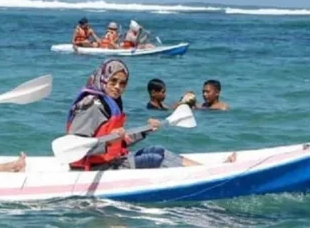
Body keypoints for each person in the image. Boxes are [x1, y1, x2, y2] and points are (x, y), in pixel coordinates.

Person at [64, 59, 210, 170]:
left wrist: (146, 129)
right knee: (154, 159)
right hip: (94, 169)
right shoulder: (91, 106)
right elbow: (76, 148)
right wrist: (108, 140)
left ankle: (205, 170)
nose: (117, 87)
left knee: (158, 150)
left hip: (111, 161)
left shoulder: (110, 103)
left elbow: (121, 142)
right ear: (103, 79)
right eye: (113, 81)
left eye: (122, 83)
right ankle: (203, 174)